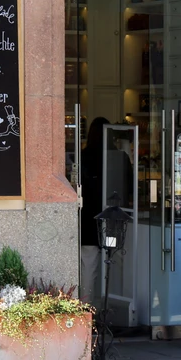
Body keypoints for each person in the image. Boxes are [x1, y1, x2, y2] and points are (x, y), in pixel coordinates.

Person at [79, 116, 109, 306]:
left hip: (87, 218)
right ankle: (100, 308)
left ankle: (86, 310)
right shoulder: (114, 156)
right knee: (113, 266)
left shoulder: (83, 155)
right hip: (109, 218)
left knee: (88, 266)